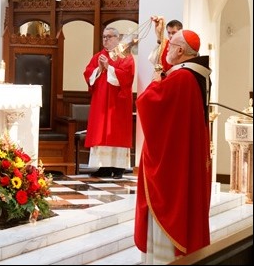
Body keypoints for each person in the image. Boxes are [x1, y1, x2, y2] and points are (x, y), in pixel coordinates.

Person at [134, 29, 212, 264]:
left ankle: (163, 258)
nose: (167, 49)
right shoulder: (194, 75)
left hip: (171, 160)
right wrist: (160, 43)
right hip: (184, 152)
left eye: (171, 45)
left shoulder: (181, 78)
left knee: (169, 202)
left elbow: (148, 102)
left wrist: (157, 78)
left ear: (180, 51)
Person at [83, 26, 135, 178]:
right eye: (104, 36)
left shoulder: (125, 56)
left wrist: (109, 67)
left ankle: (118, 168)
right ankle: (103, 167)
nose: (106, 39)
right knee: (101, 132)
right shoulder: (98, 56)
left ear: (117, 38)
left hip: (117, 103)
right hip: (101, 102)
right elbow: (88, 74)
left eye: (110, 36)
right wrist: (98, 69)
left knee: (116, 132)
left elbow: (127, 77)